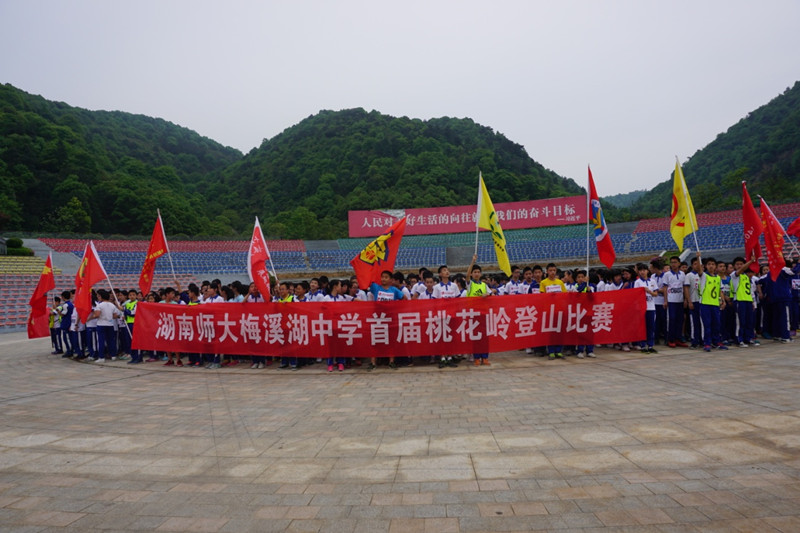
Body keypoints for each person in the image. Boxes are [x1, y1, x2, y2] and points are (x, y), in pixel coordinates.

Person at [367, 270, 405, 370]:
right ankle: (372, 363)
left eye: (386, 277)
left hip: (390, 319)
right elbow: (368, 280)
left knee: (391, 341)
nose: (383, 279)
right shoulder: (376, 287)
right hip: (378, 318)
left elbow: (404, 298)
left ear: (391, 280)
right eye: (382, 277)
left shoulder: (394, 290)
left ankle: (391, 362)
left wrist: (397, 307)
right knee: (375, 340)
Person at [698, 256, 727, 352]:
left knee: (717, 324)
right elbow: (699, 270)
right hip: (705, 303)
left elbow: (720, 291)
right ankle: (707, 343)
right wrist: (698, 257)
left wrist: (723, 301)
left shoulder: (718, 278)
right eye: (709, 264)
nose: (711, 266)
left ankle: (716, 342)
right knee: (707, 324)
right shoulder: (704, 276)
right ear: (705, 266)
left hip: (715, 304)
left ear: (715, 266)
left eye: (713, 264)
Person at [466, 254, 491, 365]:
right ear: (472, 274)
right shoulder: (470, 284)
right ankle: (476, 357)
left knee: (485, 337)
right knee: (475, 336)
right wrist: (472, 261)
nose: (476, 274)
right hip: (473, 314)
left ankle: (485, 357)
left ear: (480, 274)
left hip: (483, 313)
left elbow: (492, 294)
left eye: (478, 272)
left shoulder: (484, 285)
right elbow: (467, 275)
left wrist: (489, 294)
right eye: (474, 272)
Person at [540, 263, 566, 360]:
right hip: (549, 310)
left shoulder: (560, 282)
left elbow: (564, 295)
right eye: (550, 270)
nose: (552, 272)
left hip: (559, 310)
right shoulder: (543, 282)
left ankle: (558, 351)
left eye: (554, 270)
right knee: (550, 332)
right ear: (547, 271)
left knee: (559, 331)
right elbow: (542, 296)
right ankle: (551, 351)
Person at [731, 254, 758, 347]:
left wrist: (752, 302)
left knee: (749, 321)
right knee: (740, 321)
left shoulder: (746, 277)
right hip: (739, 300)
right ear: (734, 266)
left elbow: (749, 290)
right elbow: (741, 270)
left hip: (747, 300)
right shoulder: (734, 275)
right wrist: (750, 261)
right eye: (737, 264)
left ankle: (748, 338)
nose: (739, 266)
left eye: (741, 264)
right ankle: (739, 339)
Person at [662, 256, 688, 348]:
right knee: (671, 319)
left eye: (675, 262)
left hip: (680, 300)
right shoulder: (667, 274)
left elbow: (684, 287)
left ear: (679, 263)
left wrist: (685, 299)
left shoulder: (682, 274)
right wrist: (665, 300)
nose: (673, 264)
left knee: (680, 320)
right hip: (671, 301)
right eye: (672, 262)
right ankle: (671, 339)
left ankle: (678, 338)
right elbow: (665, 288)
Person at [634, 263, 659, 353]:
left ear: (647, 271)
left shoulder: (652, 281)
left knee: (651, 326)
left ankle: (650, 345)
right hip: (642, 308)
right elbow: (635, 295)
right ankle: (643, 345)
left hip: (651, 307)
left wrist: (649, 291)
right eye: (640, 270)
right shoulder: (637, 282)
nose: (642, 272)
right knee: (642, 327)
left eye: (644, 270)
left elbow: (656, 294)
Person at [92, 289, 120, 362]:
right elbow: (115, 316)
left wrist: (93, 315)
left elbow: (97, 315)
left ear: (101, 296)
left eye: (98, 296)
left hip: (101, 324)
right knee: (111, 340)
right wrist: (109, 317)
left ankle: (101, 357)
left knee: (101, 341)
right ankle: (113, 355)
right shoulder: (112, 305)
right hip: (110, 324)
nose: (98, 297)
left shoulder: (99, 305)